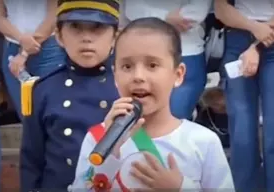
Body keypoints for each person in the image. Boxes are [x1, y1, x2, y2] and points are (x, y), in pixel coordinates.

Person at [71, 17, 234, 191]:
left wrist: (180, 188)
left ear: (178, 74)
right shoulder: (97, 139)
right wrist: (110, 155)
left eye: (152, 65)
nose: (138, 76)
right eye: (127, 66)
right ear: (115, 75)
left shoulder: (202, 142)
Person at [19, 0, 119, 191]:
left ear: (115, 36)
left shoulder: (127, 87)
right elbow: (32, 160)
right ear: (59, 36)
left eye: (97, 28)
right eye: (75, 27)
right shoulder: (43, 89)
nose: (86, 38)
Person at [215, 0, 274, 191]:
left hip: (271, 36)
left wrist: (256, 45)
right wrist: (254, 28)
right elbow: (221, 10)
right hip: (238, 38)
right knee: (242, 133)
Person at [119, 0, 212, 119]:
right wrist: (165, 18)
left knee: (176, 115)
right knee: (134, 119)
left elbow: (196, 13)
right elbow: (131, 9)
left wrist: (147, 19)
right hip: (136, 51)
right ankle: (144, 139)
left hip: (186, 52)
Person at [0, 0, 65, 119]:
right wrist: (21, 39)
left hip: (49, 47)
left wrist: (24, 53)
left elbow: (54, 14)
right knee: (25, 113)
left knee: (53, 111)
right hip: (13, 47)